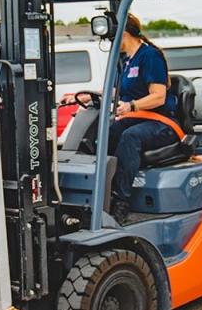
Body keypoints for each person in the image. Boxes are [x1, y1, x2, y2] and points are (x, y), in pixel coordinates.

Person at [66, 14, 180, 224]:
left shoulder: (150, 56)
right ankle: (95, 192)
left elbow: (158, 95)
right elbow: (117, 89)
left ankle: (121, 202)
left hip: (160, 123)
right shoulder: (125, 60)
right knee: (103, 135)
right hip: (136, 118)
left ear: (123, 34)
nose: (110, 43)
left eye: (111, 38)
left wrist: (132, 105)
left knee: (130, 137)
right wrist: (84, 95)